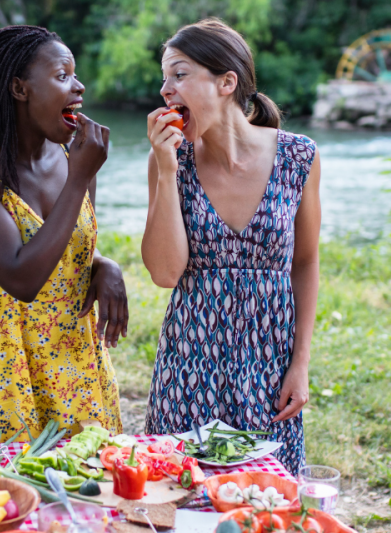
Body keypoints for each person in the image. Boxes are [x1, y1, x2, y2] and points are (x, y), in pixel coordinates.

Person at [0, 26, 127, 444]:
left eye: (76, 74)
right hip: (7, 367)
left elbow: (66, 242)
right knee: (6, 500)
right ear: (19, 88)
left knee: (89, 496)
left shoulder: (72, 157)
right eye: (63, 75)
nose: (79, 86)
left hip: (77, 365)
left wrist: (103, 263)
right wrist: (80, 177)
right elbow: (22, 278)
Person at [141, 18, 321, 475]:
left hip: (270, 360)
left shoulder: (299, 157)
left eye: (179, 74)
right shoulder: (171, 160)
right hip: (189, 360)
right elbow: (165, 274)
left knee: (265, 498)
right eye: (164, 77)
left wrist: (300, 365)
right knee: (178, 492)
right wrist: (165, 170)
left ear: (226, 82)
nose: (166, 90)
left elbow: (304, 261)